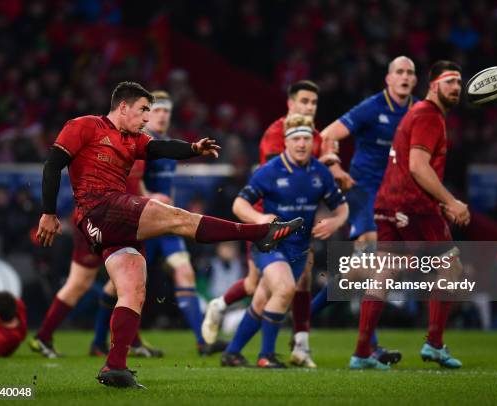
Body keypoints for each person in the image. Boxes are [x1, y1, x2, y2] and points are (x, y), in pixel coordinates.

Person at [36, 81, 303, 388]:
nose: (147, 118)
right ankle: (258, 233)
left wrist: (193, 149)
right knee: (179, 218)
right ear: (123, 106)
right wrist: (48, 212)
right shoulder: (84, 125)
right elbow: (53, 165)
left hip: (109, 223)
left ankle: (114, 367)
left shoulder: (133, 140)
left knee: (133, 288)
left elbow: (160, 148)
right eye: (143, 110)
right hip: (99, 206)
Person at [86, 90, 227, 356]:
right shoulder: (140, 144)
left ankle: (202, 341)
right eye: (157, 110)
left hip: (164, 222)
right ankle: (100, 341)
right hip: (142, 220)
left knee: (184, 272)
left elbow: (167, 189)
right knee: (120, 286)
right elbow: (129, 183)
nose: (162, 116)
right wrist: (149, 197)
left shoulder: (167, 144)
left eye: (166, 111)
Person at [350, 60, 470, 370]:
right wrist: (450, 201)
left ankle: (361, 353)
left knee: (385, 272)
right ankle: (434, 344)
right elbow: (418, 166)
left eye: (459, 82)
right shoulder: (429, 115)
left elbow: (409, 165)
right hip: (413, 208)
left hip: (388, 203)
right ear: (433, 85)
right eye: (449, 81)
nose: (456, 87)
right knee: (451, 268)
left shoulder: (415, 113)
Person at [202, 80, 330, 368]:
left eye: (314, 103)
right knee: (274, 287)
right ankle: (274, 349)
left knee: (268, 289)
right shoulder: (276, 134)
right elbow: (287, 179)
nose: (309, 107)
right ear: (290, 103)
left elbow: (314, 174)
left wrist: (331, 168)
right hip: (268, 223)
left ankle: (239, 348)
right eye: (304, 101)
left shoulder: (316, 136)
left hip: (296, 224)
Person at [313, 56, 419, 364]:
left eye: (410, 73)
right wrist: (333, 165)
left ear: (415, 81)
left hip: (397, 196)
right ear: (388, 78)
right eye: (399, 71)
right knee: (373, 261)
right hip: (363, 191)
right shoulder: (372, 107)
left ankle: (306, 315)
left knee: (365, 273)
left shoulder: (419, 112)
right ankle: (368, 348)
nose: (404, 77)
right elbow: (329, 135)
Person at [220, 114, 348, 368]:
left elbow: (341, 208)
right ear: (286, 142)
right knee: (285, 288)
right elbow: (238, 204)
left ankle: (231, 353)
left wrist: (335, 222)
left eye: (306, 139)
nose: (302, 144)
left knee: (262, 299)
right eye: (296, 138)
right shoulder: (269, 171)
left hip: (299, 249)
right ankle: (266, 356)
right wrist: (259, 217)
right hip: (270, 244)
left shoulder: (320, 173)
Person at [30, 167, 163, 359]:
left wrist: (152, 198)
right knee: (83, 283)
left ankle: (118, 341)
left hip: (123, 219)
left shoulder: (139, 145)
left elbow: (136, 185)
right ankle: (46, 336)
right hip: (100, 217)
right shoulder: (113, 144)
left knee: (128, 283)